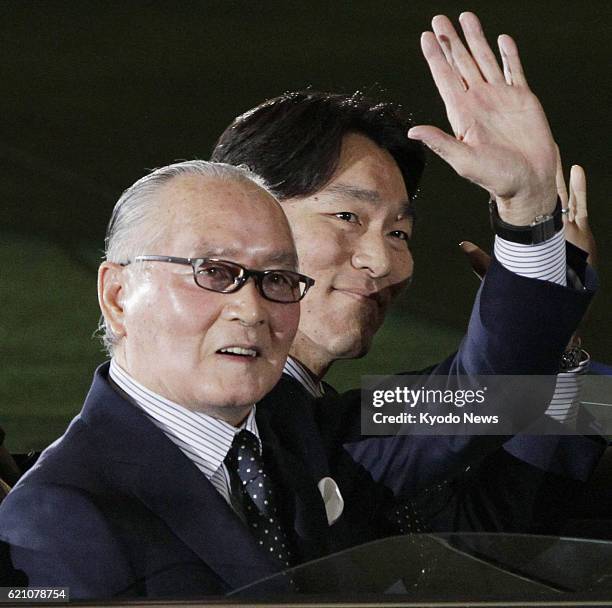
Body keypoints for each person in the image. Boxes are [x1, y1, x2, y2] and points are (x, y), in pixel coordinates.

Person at [0, 17, 596, 600]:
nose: (382, 263)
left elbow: (489, 397)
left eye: (401, 233)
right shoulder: (58, 515)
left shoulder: (303, 423)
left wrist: (529, 215)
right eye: (217, 272)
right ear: (117, 293)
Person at [212, 12, 602, 501]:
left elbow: (486, 523)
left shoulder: (337, 419)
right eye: (347, 217)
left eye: (399, 232)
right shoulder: (221, 414)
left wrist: (556, 342)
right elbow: (478, 397)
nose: (382, 260)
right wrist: (528, 217)